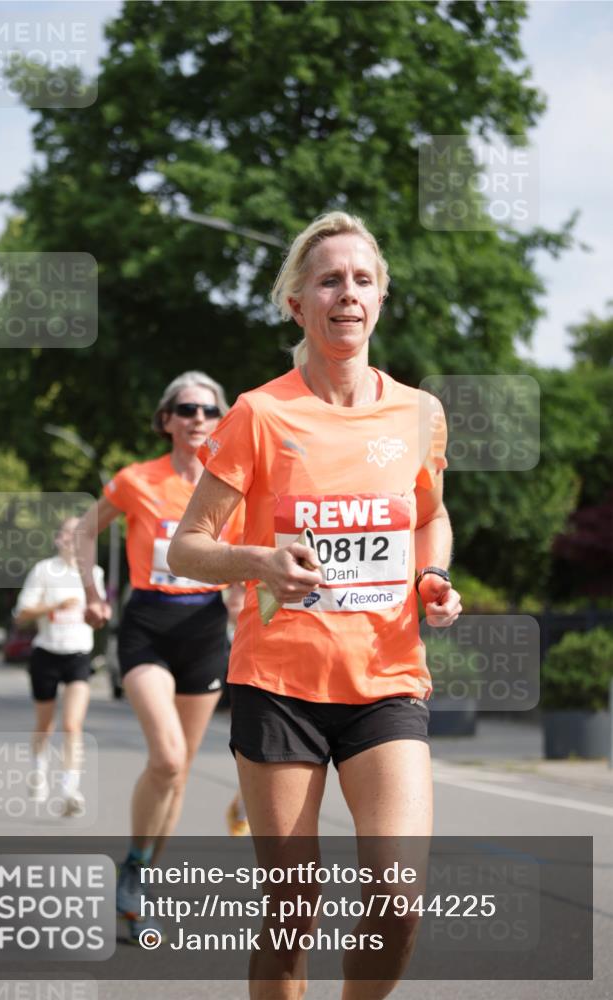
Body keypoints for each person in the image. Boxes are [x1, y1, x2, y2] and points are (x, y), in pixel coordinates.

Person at [169, 212, 462, 999]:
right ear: (296, 303)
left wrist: (430, 577)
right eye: (328, 279)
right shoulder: (259, 414)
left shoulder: (417, 414)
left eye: (362, 279)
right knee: (292, 907)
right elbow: (187, 545)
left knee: (397, 899)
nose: (347, 293)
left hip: (386, 683)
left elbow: (429, 514)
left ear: (380, 299)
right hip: (279, 684)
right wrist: (258, 558)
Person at [74, 371, 246, 942]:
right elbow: (81, 533)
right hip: (147, 624)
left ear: (221, 421)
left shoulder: (230, 488)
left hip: (204, 628)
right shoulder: (136, 480)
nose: (198, 418)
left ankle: (140, 876)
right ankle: (134, 867)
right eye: (186, 409)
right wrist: (93, 595)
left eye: (208, 410)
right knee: (167, 759)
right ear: (167, 419)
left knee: (181, 773)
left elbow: (240, 568)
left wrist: (247, 605)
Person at [14, 516, 105, 817]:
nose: (72, 539)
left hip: (79, 654)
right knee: (45, 724)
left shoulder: (94, 573)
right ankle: (38, 770)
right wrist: (54, 606)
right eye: (68, 534)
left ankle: (69, 789)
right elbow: (21, 614)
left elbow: (101, 610)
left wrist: (100, 612)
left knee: (72, 725)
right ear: (58, 539)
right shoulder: (43, 570)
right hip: (47, 654)